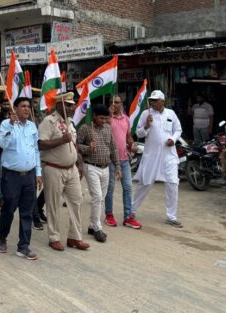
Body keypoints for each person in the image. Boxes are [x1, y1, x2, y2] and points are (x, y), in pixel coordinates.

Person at [38, 93, 89, 252]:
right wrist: (61, 140)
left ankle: (75, 237)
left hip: (71, 169)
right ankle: (54, 237)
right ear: (59, 105)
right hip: (54, 168)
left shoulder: (70, 122)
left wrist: (79, 162)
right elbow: (41, 144)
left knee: (76, 201)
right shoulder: (49, 121)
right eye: (67, 104)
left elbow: (73, 145)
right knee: (53, 205)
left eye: (72, 104)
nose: (71, 107)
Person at [0, 96, 41, 260]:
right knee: (8, 209)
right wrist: (10, 125)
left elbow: (36, 150)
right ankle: (2, 235)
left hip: (29, 175)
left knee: (27, 212)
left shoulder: (32, 126)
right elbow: (2, 145)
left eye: (28, 106)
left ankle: (23, 246)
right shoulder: (5, 125)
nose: (27, 109)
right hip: (11, 176)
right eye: (23, 106)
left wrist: (38, 172)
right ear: (15, 108)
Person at [131, 90, 183, 228]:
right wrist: (147, 126)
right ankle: (131, 210)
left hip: (169, 156)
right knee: (145, 183)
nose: (152, 102)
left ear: (162, 101)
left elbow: (178, 130)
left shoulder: (171, 114)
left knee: (173, 183)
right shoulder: (146, 114)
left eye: (155, 100)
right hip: (152, 155)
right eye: (151, 100)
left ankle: (171, 216)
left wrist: (173, 139)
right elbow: (138, 133)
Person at [77, 104, 120, 243]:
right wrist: (88, 148)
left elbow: (113, 147)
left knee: (101, 198)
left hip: (106, 167)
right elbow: (76, 145)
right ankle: (97, 228)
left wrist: (117, 166)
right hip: (91, 166)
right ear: (94, 115)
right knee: (97, 196)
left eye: (105, 118)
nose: (103, 121)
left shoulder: (107, 128)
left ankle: (91, 224)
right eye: (101, 118)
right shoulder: (85, 128)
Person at [105, 96, 139, 229]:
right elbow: (102, 130)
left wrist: (132, 145)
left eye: (116, 102)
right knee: (110, 189)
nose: (114, 104)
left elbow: (128, 136)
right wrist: (108, 115)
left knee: (128, 187)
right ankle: (108, 214)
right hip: (111, 159)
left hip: (124, 158)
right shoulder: (107, 119)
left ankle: (128, 217)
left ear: (122, 104)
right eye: (111, 102)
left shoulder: (126, 119)